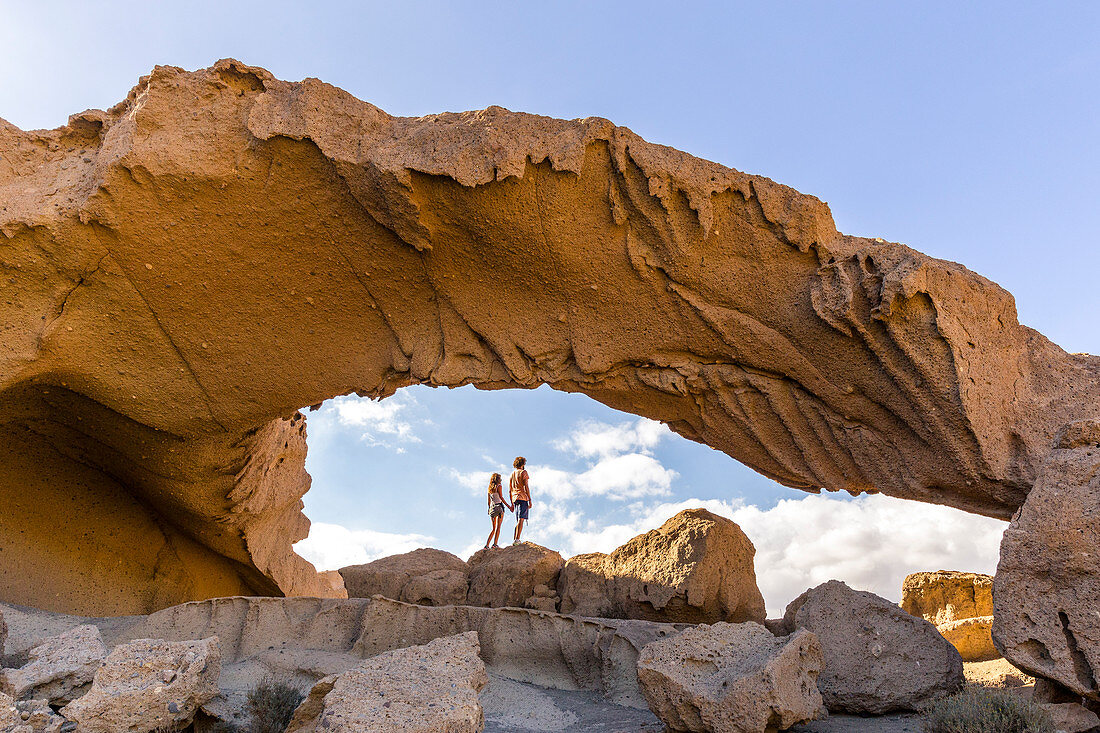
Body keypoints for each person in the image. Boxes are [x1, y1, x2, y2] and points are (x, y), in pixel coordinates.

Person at [483, 473, 511, 550]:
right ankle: (495, 544)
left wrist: (489, 510)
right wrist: (509, 506)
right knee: (498, 527)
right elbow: (501, 497)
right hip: (499, 507)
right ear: (497, 479)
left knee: (493, 528)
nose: (501, 480)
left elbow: (488, 502)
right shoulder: (499, 486)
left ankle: (487, 545)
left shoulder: (489, 489)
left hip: (492, 509)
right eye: (500, 479)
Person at [509, 456, 532, 545]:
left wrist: (511, 503)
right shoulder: (523, 472)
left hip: (515, 498)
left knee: (518, 520)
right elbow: (526, 486)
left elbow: (510, 490)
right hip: (522, 497)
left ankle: (515, 539)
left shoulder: (512, 474)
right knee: (521, 519)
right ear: (522, 464)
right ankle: (517, 539)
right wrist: (529, 499)